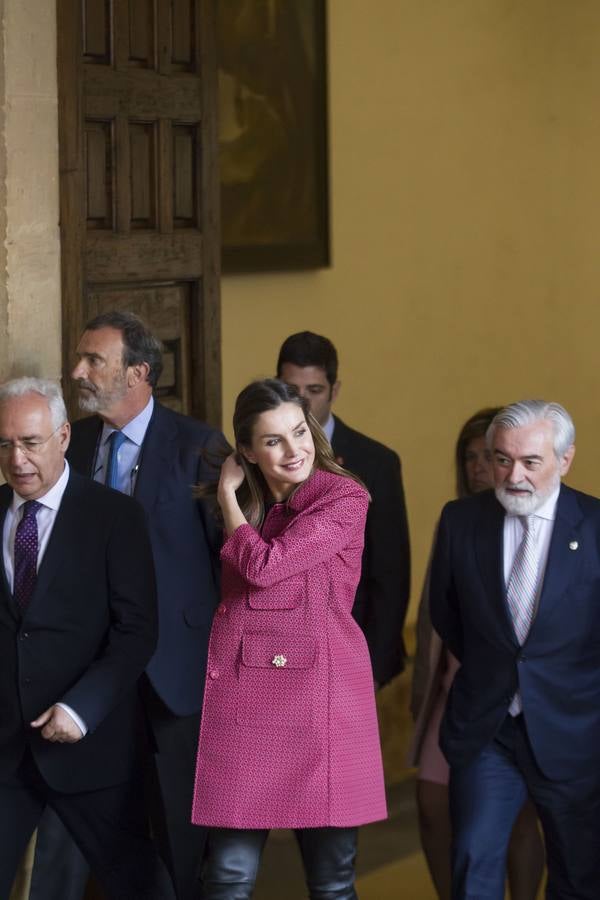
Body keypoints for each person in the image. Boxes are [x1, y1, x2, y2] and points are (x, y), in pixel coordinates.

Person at [29, 312, 224, 900]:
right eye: (79, 358)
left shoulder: (199, 447)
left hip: (174, 678)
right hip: (85, 679)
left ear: (139, 372)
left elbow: (230, 564)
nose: (76, 371)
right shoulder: (76, 442)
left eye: (93, 360)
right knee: (71, 838)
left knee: (178, 841)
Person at [192, 378, 387, 899]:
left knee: (332, 882)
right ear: (249, 451)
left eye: (299, 432)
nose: (294, 449)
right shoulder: (256, 502)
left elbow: (266, 566)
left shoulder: (344, 498)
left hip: (321, 703)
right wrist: (237, 501)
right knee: (226, 876)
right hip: (244, 705)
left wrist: (226, 496)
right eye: (273, 440)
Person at [0, 377, 174, 899]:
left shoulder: (114, 517)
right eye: (5, 444)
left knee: (140, 886)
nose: (17, 459)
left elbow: (137, 631)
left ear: (63, 437)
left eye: (30, 443)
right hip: (4, 749)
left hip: (91, 747)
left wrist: (80, 710)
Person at [430, 399, 600, 899]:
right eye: (502, 459)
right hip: (489, 727)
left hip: (574, 732)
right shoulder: (462, 521)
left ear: (564, 460)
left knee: (579, 876)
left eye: (531, 462)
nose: (513, 475)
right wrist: (498, 669)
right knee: (473, 860)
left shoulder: (594, 526)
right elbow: (448, 614)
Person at [409, 409, 544, 900]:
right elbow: (435, 613)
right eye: (469, 457)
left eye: (489, 456)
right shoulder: (457, 521)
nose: (478, 467)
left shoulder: (544, 525)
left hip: (520, 699)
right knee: (434, 804)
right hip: (456, 694)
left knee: (520, 821)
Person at [276, 331, 410, 687]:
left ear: (334, 391)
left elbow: (390, 576)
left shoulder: (376, 463)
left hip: (350, 650)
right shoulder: (259, 455)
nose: (302, 403)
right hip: (276, 650)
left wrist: (374, 669)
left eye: (314, 391)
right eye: (293, 391)